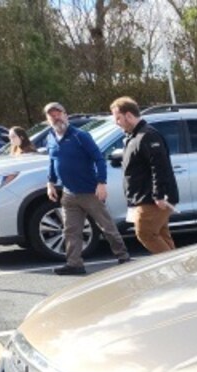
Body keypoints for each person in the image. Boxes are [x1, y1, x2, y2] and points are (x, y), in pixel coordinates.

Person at [43, 101, 130, 276]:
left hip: (89, 192)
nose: (56, 117)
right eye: (52, 115)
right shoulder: (50, 137)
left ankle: (123, 257)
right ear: (47, 119)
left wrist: (101, 183)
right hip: (68, 193)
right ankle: (74, 264)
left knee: (107, 227)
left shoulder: (80, 136)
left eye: (58, 113)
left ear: (65, 115)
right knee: (70, 230)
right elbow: (52, 161)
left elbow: (99, 159)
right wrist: (50, 183)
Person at [109, 96, 179, 253]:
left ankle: (171, 264)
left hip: (151, 199)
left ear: (128, 115)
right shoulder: (134, 137)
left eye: (118, 118)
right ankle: (178, 266)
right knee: (161, 234)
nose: (116, 123)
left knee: (145, 233)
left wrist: (159, 195)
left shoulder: (147, 136)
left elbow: (159, 167)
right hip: (142, 198)